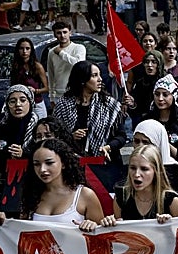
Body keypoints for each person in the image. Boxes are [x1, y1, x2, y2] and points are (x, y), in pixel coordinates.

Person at [0, 138, 105, 231]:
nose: (42, 169)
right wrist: (0, 221)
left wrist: (92, 226)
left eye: (49, 163)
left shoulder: (85, 195)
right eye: (36, 164)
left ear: (63, 163)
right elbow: (20, 233)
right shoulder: (31, 194)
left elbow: (103, 237)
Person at [51, 61, 126, 189]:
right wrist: (71, 136)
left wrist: (107, 147)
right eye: (94, 75)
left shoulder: (108, 104)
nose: (100, 79)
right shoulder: (63, 105)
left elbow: (121, 136)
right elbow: (54, 136)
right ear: (82, 80)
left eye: (100, 75)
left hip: (104, 166)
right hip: (73, 166)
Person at [45, 20, 86, 108]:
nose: (62, 35)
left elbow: (79, 64)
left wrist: (61, 53)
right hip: (58, 94)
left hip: (76, 92)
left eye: (65, 32)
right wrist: (52, 97)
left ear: (70, 33)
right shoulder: (52, 52)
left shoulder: (79, 48)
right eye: (59, 33)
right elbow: (51, 75)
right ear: (55, 35)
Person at [10, 37, 50, 119]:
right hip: (22, 106)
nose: (24, 51)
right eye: (21, 48)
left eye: (27, 48)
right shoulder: (16, 67)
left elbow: (47, 88)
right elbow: (13, 87)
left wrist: (35, 90)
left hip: (37, 103)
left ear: (31, 50)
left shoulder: (37, 66)